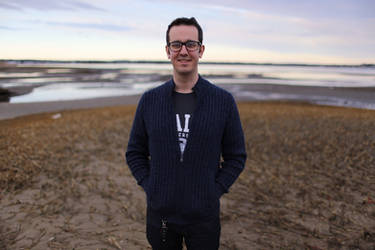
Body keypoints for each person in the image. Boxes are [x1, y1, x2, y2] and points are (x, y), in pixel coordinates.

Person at [126, 17, 247, 250]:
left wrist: (214, 190)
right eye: (176, 44)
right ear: (167, 51)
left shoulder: (222, 101)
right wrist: (152, 186)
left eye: (190, 44)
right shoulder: (150, 100)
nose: (183, 51)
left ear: (201, 50)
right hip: (160, 216)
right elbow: (134, 153)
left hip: (204, 218)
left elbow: (236, 157)